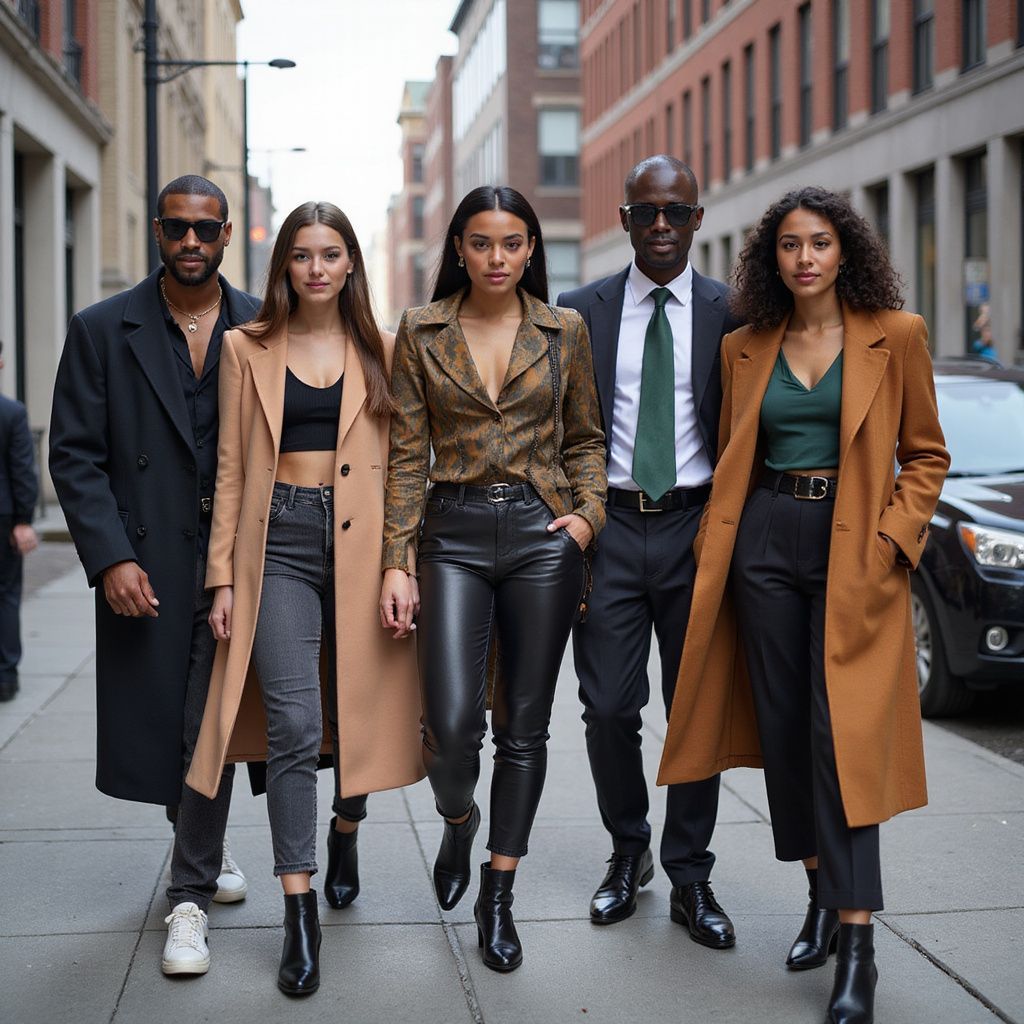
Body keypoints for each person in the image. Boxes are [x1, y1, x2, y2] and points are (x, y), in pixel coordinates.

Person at [657, 186, 949, 1024]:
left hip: (855, 546)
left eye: (820, 242)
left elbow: (925, 454)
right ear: (770, 258)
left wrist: (895, 540)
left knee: (844, 741)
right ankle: (822, 895)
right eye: (790, 244)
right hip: (765, 543)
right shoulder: (746, 345)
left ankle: (857, 946)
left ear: (845, 250)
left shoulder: (897, 337)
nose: (806, 257)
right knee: (784, 731)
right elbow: (727, 452)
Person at [184, 201, 423, 997]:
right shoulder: (244, 349)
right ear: (283, 266)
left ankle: (346, 826)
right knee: (291, 720)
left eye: (330, 254)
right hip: (277, 541)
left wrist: (400, 563)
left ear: (351, 263)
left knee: (352, 712)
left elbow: (404, 471)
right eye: (301, 255)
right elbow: (227, 468)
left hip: (361, 550)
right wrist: (221, 576)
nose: (315, 268)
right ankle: (299, 905)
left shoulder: (384, 350)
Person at [381, 185, 606, 972]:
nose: (497, 258)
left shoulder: (563, 329)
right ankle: (458, 816)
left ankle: (498, 892)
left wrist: (586, 518)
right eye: (481, 243)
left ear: (532, 248)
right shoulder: (421, 330)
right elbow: (408, 452)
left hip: (544, 536)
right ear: (459, 249)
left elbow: (584, 437)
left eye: (512, 243)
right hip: (454, 533)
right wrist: (396, 560)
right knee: (448, 724)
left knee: (525, 725)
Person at [49, 175, 258, 976]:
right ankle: (199, 848)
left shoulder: (259, 325)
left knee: (209, 720)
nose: (192, 242)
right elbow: (73, 451)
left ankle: (189, 894)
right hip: (147, 558)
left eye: (206, 229)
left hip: (236, 561)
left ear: (228, 234)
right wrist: (109, 557)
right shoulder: (104, 329)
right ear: (159, 234)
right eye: (178, 228)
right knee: (174, 720)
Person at [557, 156, 742, 946]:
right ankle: (627, 849)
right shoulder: (579, 311)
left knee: (695, 707)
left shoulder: (735, 313)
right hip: (611, 527)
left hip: (698, 528)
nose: (660, 224)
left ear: (699, 218)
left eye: (675, 211)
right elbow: (558, 429)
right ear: (625, 220)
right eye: (645, 212)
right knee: (606, 709)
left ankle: (690, 875)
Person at [0, 340, 39, 701]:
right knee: (7, 594)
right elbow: (23, 471)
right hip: (4, 516)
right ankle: (6, 675)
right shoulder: (11, 412)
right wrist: (24, 520)